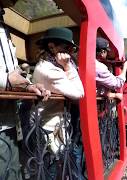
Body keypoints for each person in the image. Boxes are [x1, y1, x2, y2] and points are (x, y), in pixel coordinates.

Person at [0, 6, 50, 180]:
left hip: (9, 122)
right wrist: (5, 80)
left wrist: (28, 86)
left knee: (13, 171)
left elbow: (13, 72)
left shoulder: (4, 28)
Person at [32, 27, 84, 154]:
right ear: (52, 47)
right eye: (67, 48)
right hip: (49, 129)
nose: (70, 53)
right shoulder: (50, 70)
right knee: (52, 168)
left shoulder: (51, 65)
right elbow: (79, 93)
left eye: (72, 49)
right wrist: (68, 66)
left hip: (54, 125)